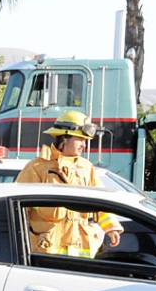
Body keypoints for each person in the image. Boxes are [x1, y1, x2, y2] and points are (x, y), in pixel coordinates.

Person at [16, 110, 123, 257]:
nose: (84, 145)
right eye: (80, 139)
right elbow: (18, 207)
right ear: (65, 138)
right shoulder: (37, 167)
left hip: (80, 249)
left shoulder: (86, 167)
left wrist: (111, 227)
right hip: (47, 250)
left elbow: (101, 201)